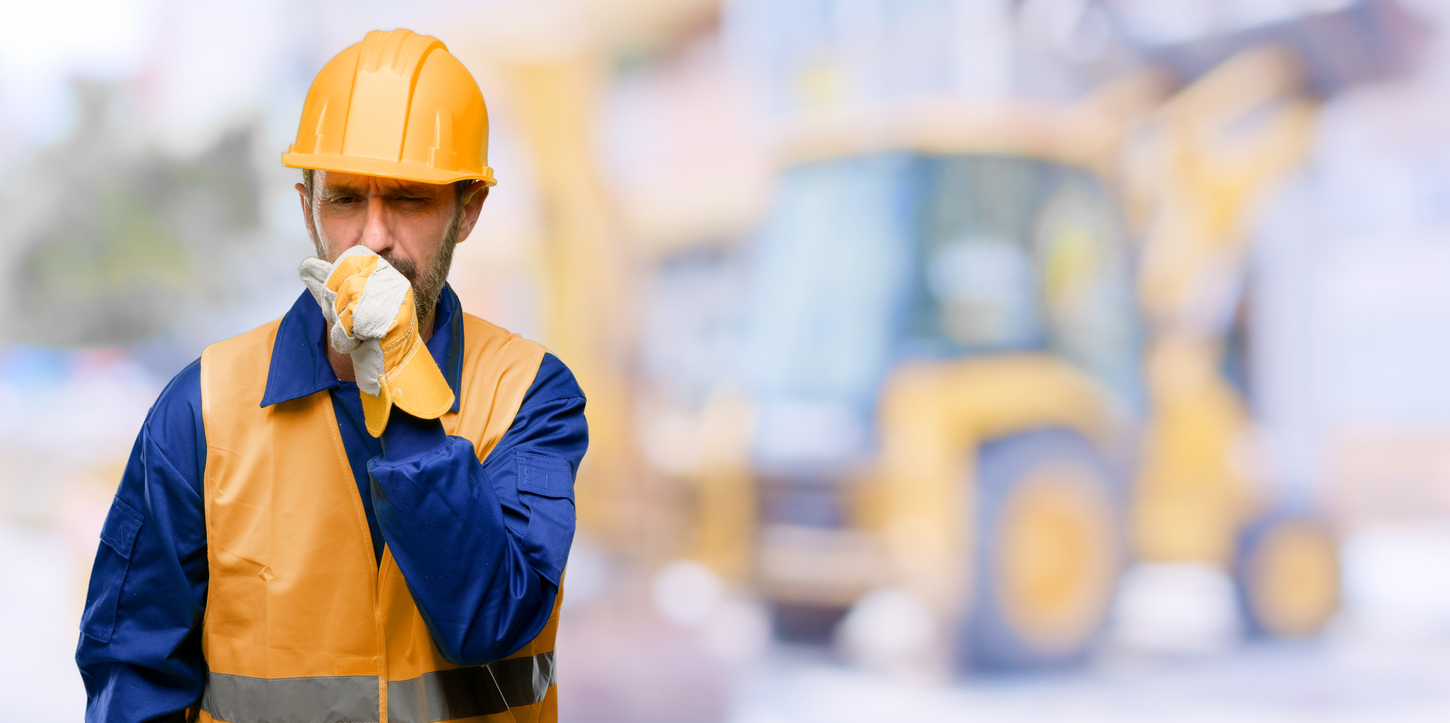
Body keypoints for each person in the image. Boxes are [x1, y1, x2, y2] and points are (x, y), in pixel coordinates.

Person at [75, 29, 586, 723]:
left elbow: (491, 620)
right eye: (345, 198)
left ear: (468, 211)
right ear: (306, 207)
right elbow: (133, 674)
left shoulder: (531, 394)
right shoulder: (201, 410)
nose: (372, 237)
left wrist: (406, 384)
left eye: (408, 199)